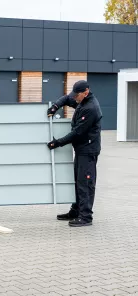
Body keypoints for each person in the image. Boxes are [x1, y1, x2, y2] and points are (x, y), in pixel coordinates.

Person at [47, 80, 102, 227]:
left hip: (88, 150)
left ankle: (86, 217)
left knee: (85, 183)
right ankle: (76, 210)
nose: (74, 98)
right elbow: (66, 99)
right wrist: (55, 107)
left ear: (86, 92)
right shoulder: (82, 101)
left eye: (76, 95)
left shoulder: (91, 108)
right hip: (81, 149)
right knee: (78, 182)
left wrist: (57, 142)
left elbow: (77, 133)